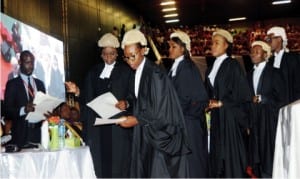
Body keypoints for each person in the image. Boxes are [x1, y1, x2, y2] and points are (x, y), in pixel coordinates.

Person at [116, 29, 191, 178]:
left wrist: (136, 119)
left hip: (159, 135)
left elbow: (159, 108)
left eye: (133, 56)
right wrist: (127, 103)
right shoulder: (137, 71)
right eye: (126, 57)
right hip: (145, 132)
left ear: (143, 50)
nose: (130, 61)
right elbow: (138, 99)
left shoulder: (154, 73)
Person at [65, 33, 133, 178]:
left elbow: (133, 96)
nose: (108, 57)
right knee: (99, 167)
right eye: (105, 54)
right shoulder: (93, 72)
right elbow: (87, 98)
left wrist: (126, 103)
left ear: (117, 54)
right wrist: (77, 91)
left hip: (117, 129)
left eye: (112, 54)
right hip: (98, 129)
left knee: (118, 167)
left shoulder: (126, 72)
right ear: (101, 55)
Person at [205, 29, 252, 177]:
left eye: (216, 43)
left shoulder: (232, 65)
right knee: (217, 157)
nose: (212, 46)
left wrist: (221, 103)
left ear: (226, 45)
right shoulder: (210, 68)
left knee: (229, 159)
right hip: (216, 118)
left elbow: (243, 95)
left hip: (229, 118)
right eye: (212, 43)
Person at [168, 31, 209, 177]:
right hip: (183, 119)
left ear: (183, 49)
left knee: (192, 161)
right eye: (170, 46)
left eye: (173, 46)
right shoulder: (177, 66)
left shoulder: (186, 67)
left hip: (189, 121)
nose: (170, 50)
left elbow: (183, 98)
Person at [246, 41, 286, 177]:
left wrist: (263, 99)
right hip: (253, 120)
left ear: (265, 54)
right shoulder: (248, 74)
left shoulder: (274, 73)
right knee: (255, 154)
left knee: (268, 153)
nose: (253, 54)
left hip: (268, 120)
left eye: (257, 52)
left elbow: (282, 98)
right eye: (252, 51)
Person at [4, 50, 46, 148]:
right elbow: (7, 111)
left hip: (38, 135)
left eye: (32, 62)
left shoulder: (40, 84)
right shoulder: (12, 84)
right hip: (20, 136)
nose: (30, 66)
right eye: (27, 62)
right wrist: (24, 109)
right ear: (20, 62)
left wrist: (46, 112)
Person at [266, 26, 300, 104]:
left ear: (279, 39)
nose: (268, 42)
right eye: (267, 39)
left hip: (291, 102)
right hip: (275, 106)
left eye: (270, 39)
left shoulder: (293, 58)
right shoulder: (269, 61)